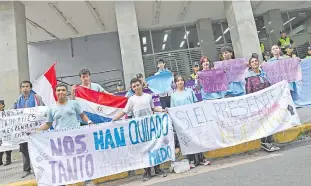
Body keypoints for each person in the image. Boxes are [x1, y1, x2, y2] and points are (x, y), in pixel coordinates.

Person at [37, 84, 94, 186]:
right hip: (61, 140)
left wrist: (89, 121)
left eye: (63, 90)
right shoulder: (51, 108)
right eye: (58, 90)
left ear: (66, 92)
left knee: (80, 159)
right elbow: (48, 124)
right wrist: (35, 130)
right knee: (65, 162)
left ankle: (87, 181)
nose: (61, 92)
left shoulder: (74, 104)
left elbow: (82, 116)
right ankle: (70, 182)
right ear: (56, 92)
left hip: (76, 138)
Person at [112, 78, 167, 181]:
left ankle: (158, 169)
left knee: (154, 148)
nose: (136, 87)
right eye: (134, 86)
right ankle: (147, 172)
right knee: (144, 150)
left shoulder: (148, 96)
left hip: (151, 128)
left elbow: (153, 108)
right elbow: (124, 112)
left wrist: (162, 110)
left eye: (138, 85)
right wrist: (115, 118)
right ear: (132, 89)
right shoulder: (131, 100)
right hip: (140, 130)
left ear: (141, 85)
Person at [171, 75, 211, 168]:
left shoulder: (190, 91)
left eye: (182, 80)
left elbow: (195, 103)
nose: (180, 82)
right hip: (182, 122)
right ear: (175, 83)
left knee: (197, 138)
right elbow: (173, 109)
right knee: (187, 140)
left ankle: (201, 158)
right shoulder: (173, 95)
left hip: (192, 119)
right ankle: (191, 160)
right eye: (178, 81)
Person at [245, 55, 280, 152]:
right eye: (252, 62)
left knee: (270, 121)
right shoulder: (249, 78)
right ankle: (264, 142)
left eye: (256, 61)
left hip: (268, 102)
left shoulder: (264, 74)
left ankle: (269, 141)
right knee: (263, 123)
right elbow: (248, 92)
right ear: (250, 65)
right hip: (258, 104)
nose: (255, 63)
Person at [12, 80, 44, 178]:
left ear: (30, 88)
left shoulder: (37, 98)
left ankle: (38, 168)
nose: (25, 88)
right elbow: (13, 113)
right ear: (21, 89)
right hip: (23, 130)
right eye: (23, 87)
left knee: (36, 149)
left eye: (27, 86)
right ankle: (26, 170)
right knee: (24, 150)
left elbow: (42, 111)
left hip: (35, 129)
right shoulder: (17, 100)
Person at [0, 100, 12, 166]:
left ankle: (8, 160)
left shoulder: (6, 113)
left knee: (7, 146)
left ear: (3, 105)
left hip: (6, 132)